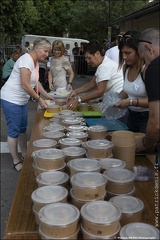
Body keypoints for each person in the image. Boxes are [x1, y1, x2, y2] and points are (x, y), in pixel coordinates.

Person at [1, 38, 54, 172]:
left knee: (22, 129)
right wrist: (39, 99)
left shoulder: (35, 62)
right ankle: (15, 160)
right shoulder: (26, 60)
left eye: (48, 52)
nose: (47, 55)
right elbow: (25, 84)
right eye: (45, 51)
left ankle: (24, 154)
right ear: (36, 47)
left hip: (21, 100)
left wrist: (46, 95)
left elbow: (35, 82)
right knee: (14, 131)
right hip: (11, 99)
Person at [66, 41, 123, 110]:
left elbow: (100, 91)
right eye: (86, 59)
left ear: (97, 54)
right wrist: (76, 91)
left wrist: (78, 100)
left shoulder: (104, 66)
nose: (88, 61)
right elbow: (92, 83)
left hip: (119, 101)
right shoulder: (104, 63)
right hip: (116, 99)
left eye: (89, 58)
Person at [114, 31, 149, 133]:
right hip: (131, 115)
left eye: (128, 53)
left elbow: (154, 100)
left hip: (146, 118)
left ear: (138, 51)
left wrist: (130, 102)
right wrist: (112, 99)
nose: (124, 57)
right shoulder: (126, 68)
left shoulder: (146, 70)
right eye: (122, 53)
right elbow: (127, 91)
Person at [136, 28, 160, 154]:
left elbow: (157, 122)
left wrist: (145, 143)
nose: (145, 63)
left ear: (149, 49)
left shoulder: (155, 67)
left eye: (143, 58)